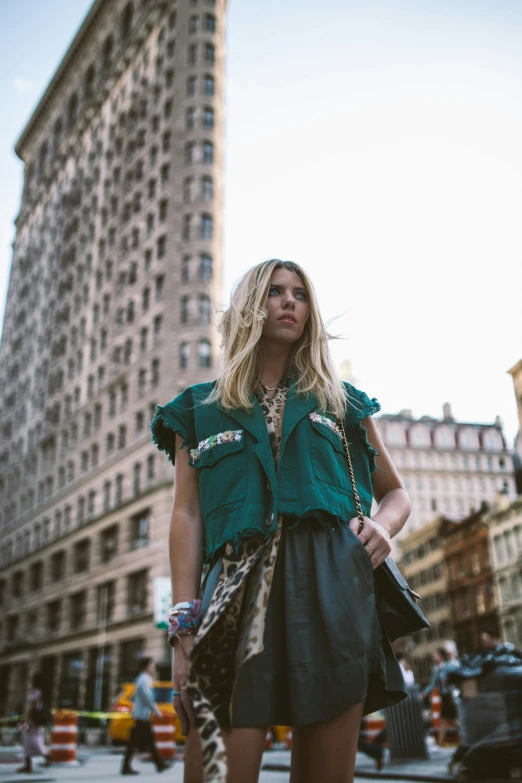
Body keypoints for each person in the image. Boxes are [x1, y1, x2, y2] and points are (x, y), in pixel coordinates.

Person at [151, 259, 411, 783]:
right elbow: (187, 513)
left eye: (299, 293)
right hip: (232, 591)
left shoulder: (342, 404)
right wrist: (183, 624)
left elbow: (396, 493)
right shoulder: (197, 409)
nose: (289, 301)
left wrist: (382, 527)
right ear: (250, 306)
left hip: (331, 585)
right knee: (219, 769)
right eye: (274, 292)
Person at [120, 658, 168, 776]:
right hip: (142, 716)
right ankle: (159, 765)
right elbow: (148, 699)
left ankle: (159, 764)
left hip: (142, 716)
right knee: (148, 741)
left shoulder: (144, 679)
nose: (154, 669)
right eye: (152, 666)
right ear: (146, 667)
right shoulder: (143, 680)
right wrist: (157, 712)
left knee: (136, 743)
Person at [16, 672, 52, 774]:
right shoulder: (37, 692)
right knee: (27, 742)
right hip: (32, 721)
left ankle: (47, 756)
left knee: (35, 742)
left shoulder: (37, 692)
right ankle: (28, 765)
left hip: (33, 720)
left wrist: (26, 717)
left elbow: (33, 705)